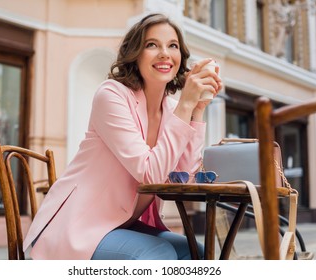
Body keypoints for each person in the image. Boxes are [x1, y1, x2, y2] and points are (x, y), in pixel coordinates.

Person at [23, 13, 223, 260]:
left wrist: (197, 110)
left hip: (121, 224)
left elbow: (184, 178)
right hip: (77, 227)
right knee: (159, 255)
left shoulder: (171, 110)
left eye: (172, 45)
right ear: (135, 54)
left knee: (198, 254)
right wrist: (186, 105)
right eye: (152, 45)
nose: (164, 53)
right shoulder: (111, 95)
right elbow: (151, 174)